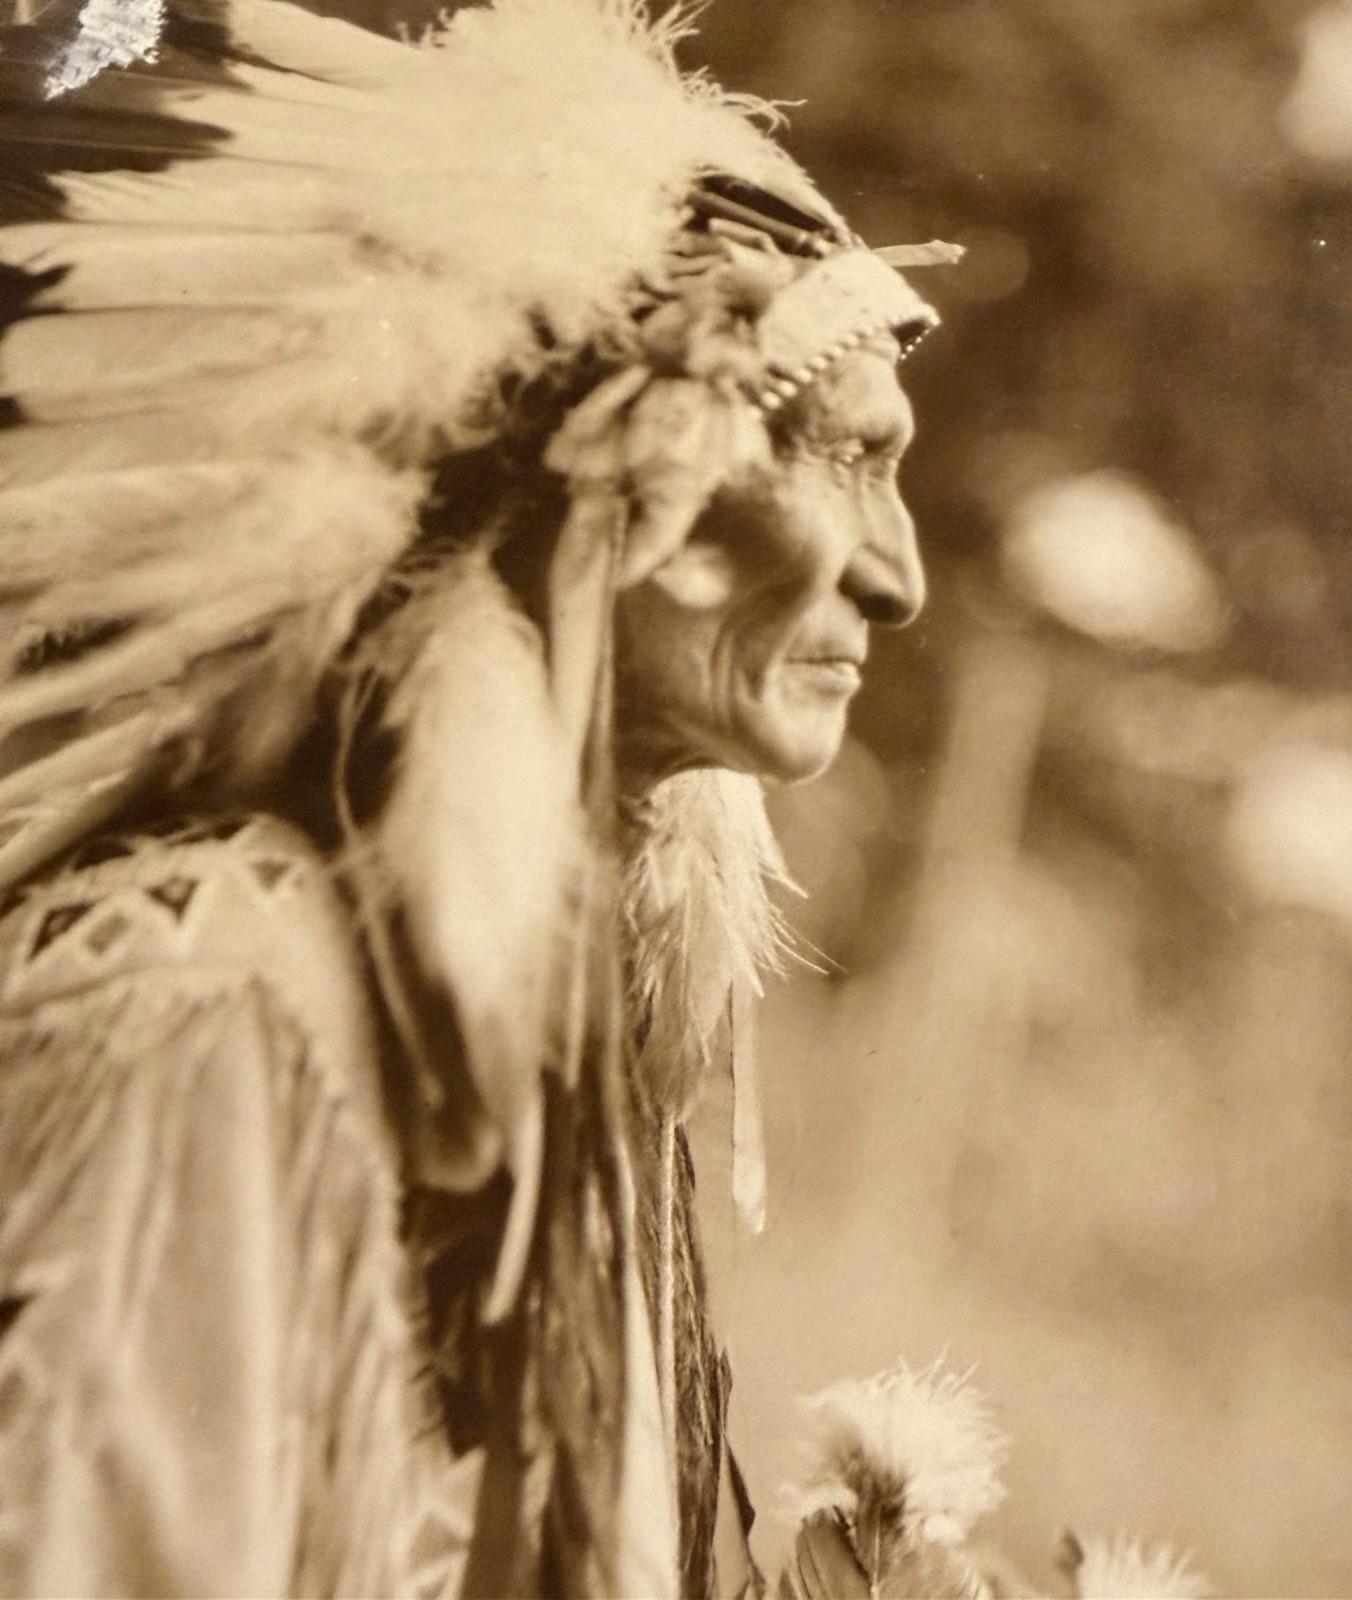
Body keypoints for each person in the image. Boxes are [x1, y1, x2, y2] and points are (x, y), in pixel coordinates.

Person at [0, 0, 946, 1593]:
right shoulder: (208, 994)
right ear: (605, 486)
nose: (901, 577)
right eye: (842, 457)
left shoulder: (561, 1022)